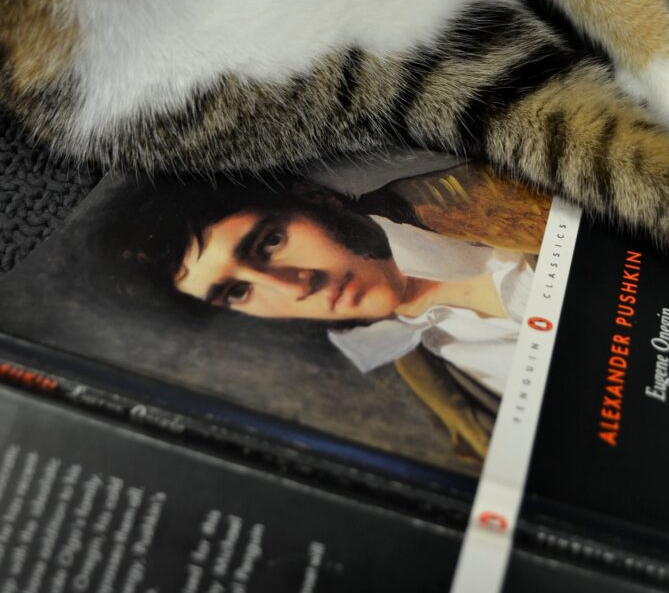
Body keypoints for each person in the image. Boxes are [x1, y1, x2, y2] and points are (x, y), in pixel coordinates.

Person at [108, 162, 551, 459]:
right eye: (237, 292)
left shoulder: (486, 193)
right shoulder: (424, 369)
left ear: (316, 199)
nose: (294, 287)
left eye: (270, 243)